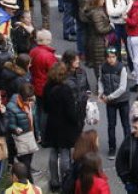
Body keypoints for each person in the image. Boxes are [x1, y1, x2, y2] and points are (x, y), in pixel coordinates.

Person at [43, 62, 85, 190]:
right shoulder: (65, 90)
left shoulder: (47, 87)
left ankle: (54, 180)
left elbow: (44, 107)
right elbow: (70, 111)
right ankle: (66, 180)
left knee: (54, 152)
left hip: (52, 123)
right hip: (65, 126)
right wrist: (78, 121)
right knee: (65, 152)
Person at [99, 47, 131, 157]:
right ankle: (112, 147)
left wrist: (109, 97)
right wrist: (101, 92)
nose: (110, 59)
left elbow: (122, 88)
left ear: (116, 57)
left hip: (122, 100)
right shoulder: (103, 67)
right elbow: (101, 81)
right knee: (111, 125)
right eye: (108, 57)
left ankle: (128, 147)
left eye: (113, 57)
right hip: (110, 102)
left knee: (125, 124)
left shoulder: (121, 68)